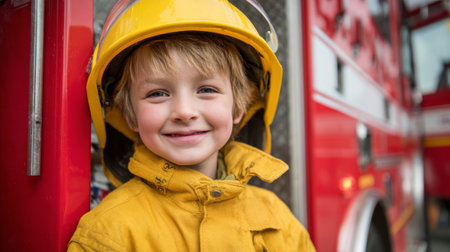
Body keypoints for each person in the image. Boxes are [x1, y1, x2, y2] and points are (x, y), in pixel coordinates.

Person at [68, 0, 315, 251]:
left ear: (238, 107)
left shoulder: (278, 222)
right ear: (130, 116)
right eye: (158, 93)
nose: (184, 112)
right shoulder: (105, 234)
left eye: (206, 89)